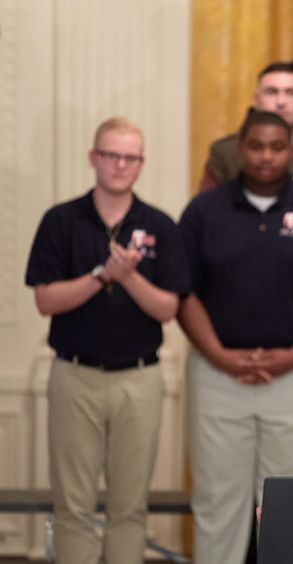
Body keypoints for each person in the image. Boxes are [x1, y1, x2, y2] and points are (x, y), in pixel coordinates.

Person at [178, 110, 293, 564]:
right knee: (217, 500)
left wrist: (289, 357)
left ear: (291, 150)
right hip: (217, 375)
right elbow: (183, 293)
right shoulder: (203, 212)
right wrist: (220, 355)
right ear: (240, 148)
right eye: (256, 146)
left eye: (277, 147)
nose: (266, 156)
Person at [25, 117, 190, 564]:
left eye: (130, 157)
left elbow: (168, 309)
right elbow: (46, 300)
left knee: (129, 506)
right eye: (111, 155)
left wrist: (127, 275)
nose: (120, 165)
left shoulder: (159, 224)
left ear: (141, 163)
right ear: (93, 158)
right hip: (74, 375)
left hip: (140, 379)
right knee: (73, 507)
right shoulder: (61, 220)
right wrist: (101, 275)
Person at [199, 61, 293, 201]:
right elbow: (207, 214)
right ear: (256, 100)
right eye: (271, 92)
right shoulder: (226, 152)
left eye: (291, 92)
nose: (281, 102)